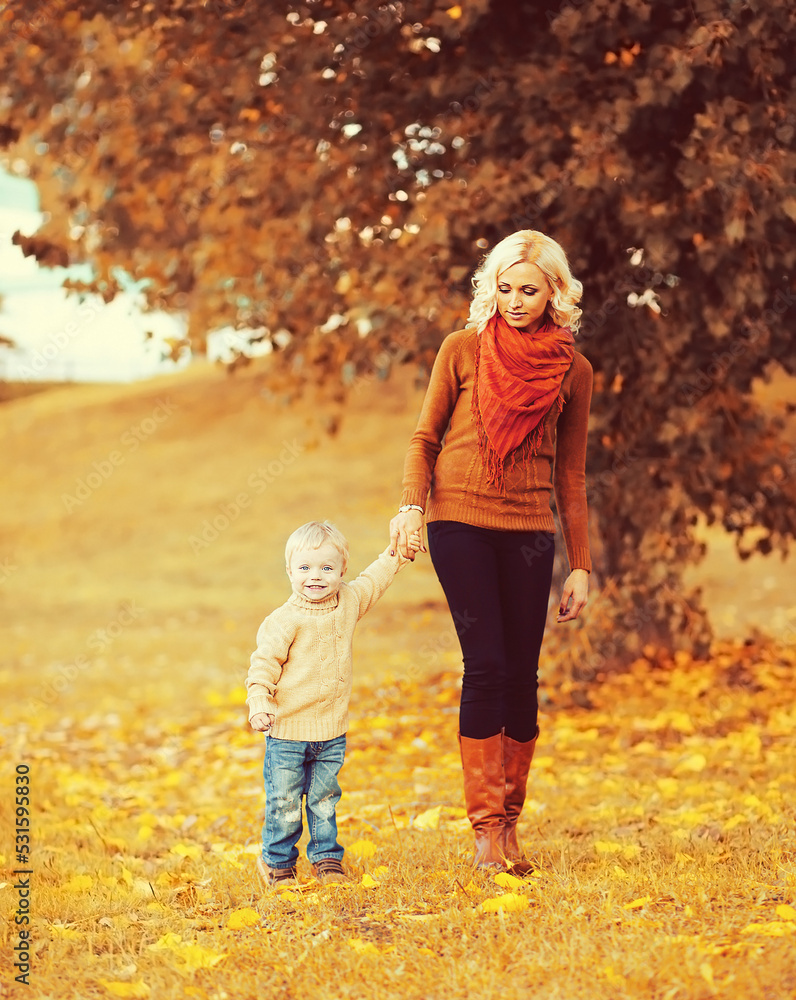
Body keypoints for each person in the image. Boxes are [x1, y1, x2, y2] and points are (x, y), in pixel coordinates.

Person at [389, 229, 592, 874]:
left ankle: (509, 827)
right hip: (460, 523)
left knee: (521, 675)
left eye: (528, 290)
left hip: (530, 528)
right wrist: (410, 507)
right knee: (487, 664)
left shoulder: (574, 370)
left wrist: (581, 564)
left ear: (554, 291)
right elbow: (424, 440)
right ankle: (484, 834)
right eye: (503, 288)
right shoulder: (463, 350)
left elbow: (572, 473)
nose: (513, 300)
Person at [247, 520, 420, 886]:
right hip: (287, 734)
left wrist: (398, 554)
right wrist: (259, 701)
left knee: (324, 800)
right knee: (285, 803)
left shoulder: (349, 602)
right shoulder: (283, 620)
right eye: (305, 568)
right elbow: (263, 665)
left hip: (331, 732)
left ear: (342, 571)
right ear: (289, 571)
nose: (316, 576)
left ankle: (326, 859)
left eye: (327, 568)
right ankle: (277, 863)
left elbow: (374, 580)